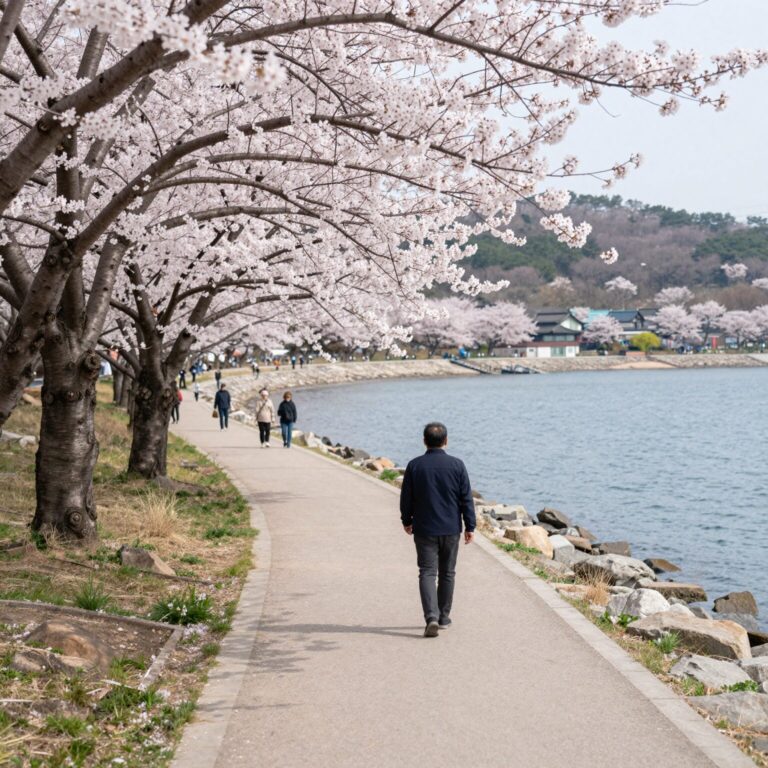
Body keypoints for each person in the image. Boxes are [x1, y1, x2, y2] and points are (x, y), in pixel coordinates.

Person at [400, 422, 475, 638]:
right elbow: (466, 499)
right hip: (451, 528)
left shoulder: (415, 466)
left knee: (427, 572)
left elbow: (407, 498)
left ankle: (430, 617)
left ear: (424, 441)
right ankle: (443, 617)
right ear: (446, 441)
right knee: (447, 572)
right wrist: (470, 525)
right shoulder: (457, 465)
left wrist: (407, 520)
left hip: (424, 528)